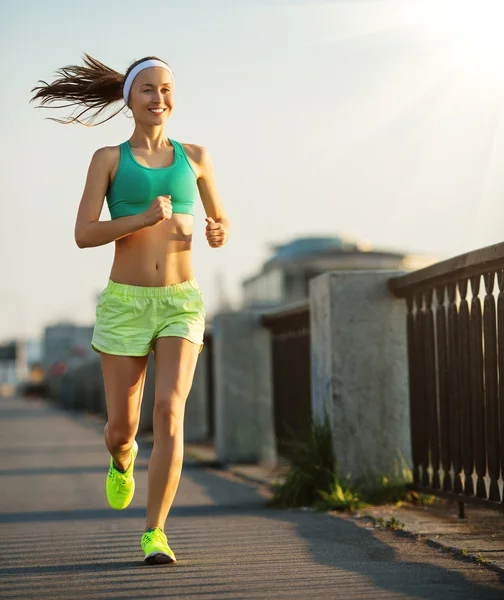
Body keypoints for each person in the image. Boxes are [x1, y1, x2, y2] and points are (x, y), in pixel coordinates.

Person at [30, 54, 231, 564]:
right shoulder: (109, 159)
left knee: (170, 412)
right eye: (147, 90)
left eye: (166, 89)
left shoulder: (197, 156)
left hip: (181, 302)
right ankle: (122, 460)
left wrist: (217, 230)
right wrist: (140, 218)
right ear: (129, 98)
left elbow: (221, 220)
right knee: (123, 428)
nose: (159, 98)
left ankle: (155, 532)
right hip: (125, 302)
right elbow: (84, 234)